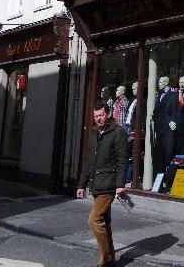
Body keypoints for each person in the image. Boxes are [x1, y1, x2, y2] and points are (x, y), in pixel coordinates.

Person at [78, 101, 130, 267]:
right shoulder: (94, 133)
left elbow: (123, 160)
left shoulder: (118, 132)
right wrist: (81, 185)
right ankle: (109, 260)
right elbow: (89, 162)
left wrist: (120, 184)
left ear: (108, 114)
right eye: (95, 116)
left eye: (100, 115)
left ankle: (106, 259)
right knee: (104, 222)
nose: (98, 119)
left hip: (108, 184)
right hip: (95, 184)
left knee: (94, 220)